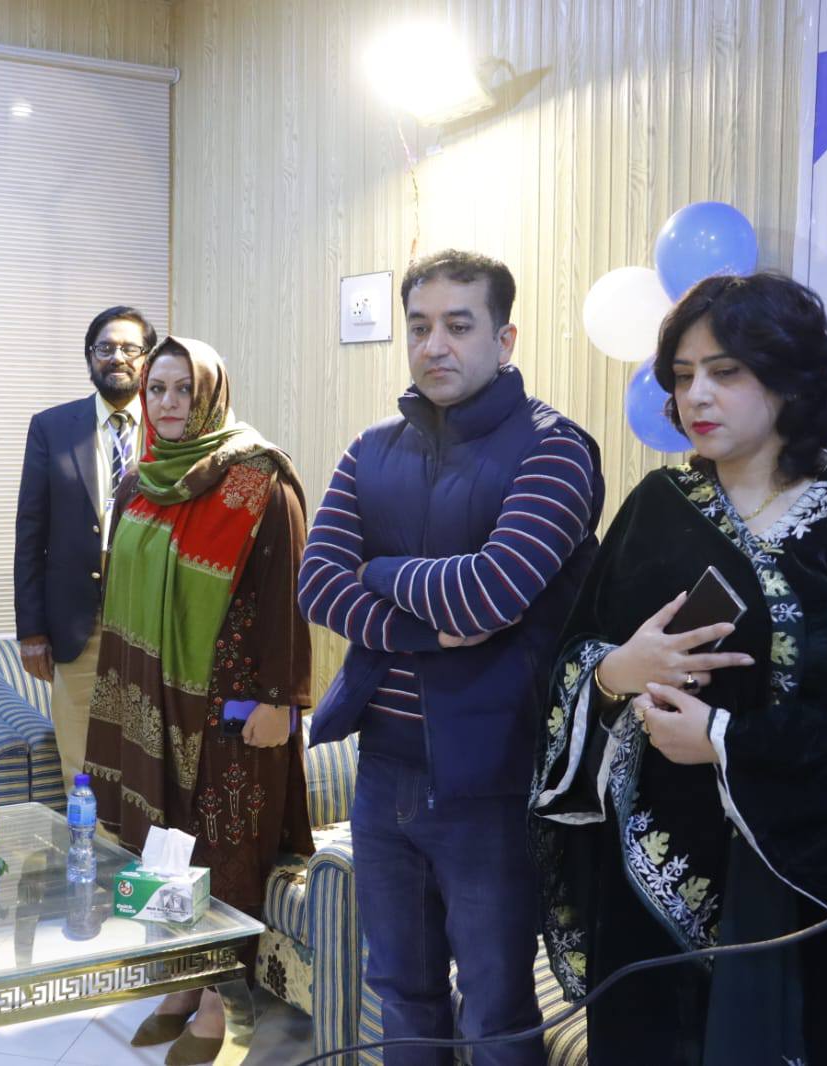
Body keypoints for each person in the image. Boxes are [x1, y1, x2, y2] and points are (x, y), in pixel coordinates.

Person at [531, 273, 827, 1066]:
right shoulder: (657, 506)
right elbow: (573, 659)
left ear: (789, 378)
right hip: (647, 871)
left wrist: (725, 740)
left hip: (790, 886)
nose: (697, 395)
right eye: (683, 375)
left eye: (725, 371)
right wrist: (616, 672)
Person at [301, 250, 604, 1066]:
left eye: (459, 326)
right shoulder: (372, 449)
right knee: (401, 991)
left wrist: (377, 570)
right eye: (420, 327)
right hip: (382, 771)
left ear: (505, 339)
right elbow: (316, 586)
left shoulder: (556, 450)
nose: (434, 345)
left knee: (496, 1009)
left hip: (491, 778)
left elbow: (490, 594)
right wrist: (425, 630)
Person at [84, 336, 313, 1065]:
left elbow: (287, 598)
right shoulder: (138, 482)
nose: (169, 403)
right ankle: (183, 978)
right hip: (154, 706)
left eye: (184, 389)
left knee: (222, 853)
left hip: (230, 713)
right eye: (157, 389)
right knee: (165, 844)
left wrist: (282, 700)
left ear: (212, 394)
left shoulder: (260, 482)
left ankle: (222, 1003)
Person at [14, 305, 155, 791]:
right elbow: (30, 532)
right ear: (90, 357)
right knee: (82, 761)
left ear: (148, 358)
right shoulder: (52, 427)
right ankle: (90, 840)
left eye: (130, 348)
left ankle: (142, 841)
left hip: (151, 621)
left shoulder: (172, 428)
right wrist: (32, 631)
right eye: (105, 347)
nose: (118, 357)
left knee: (147, 757)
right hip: (79, 622)